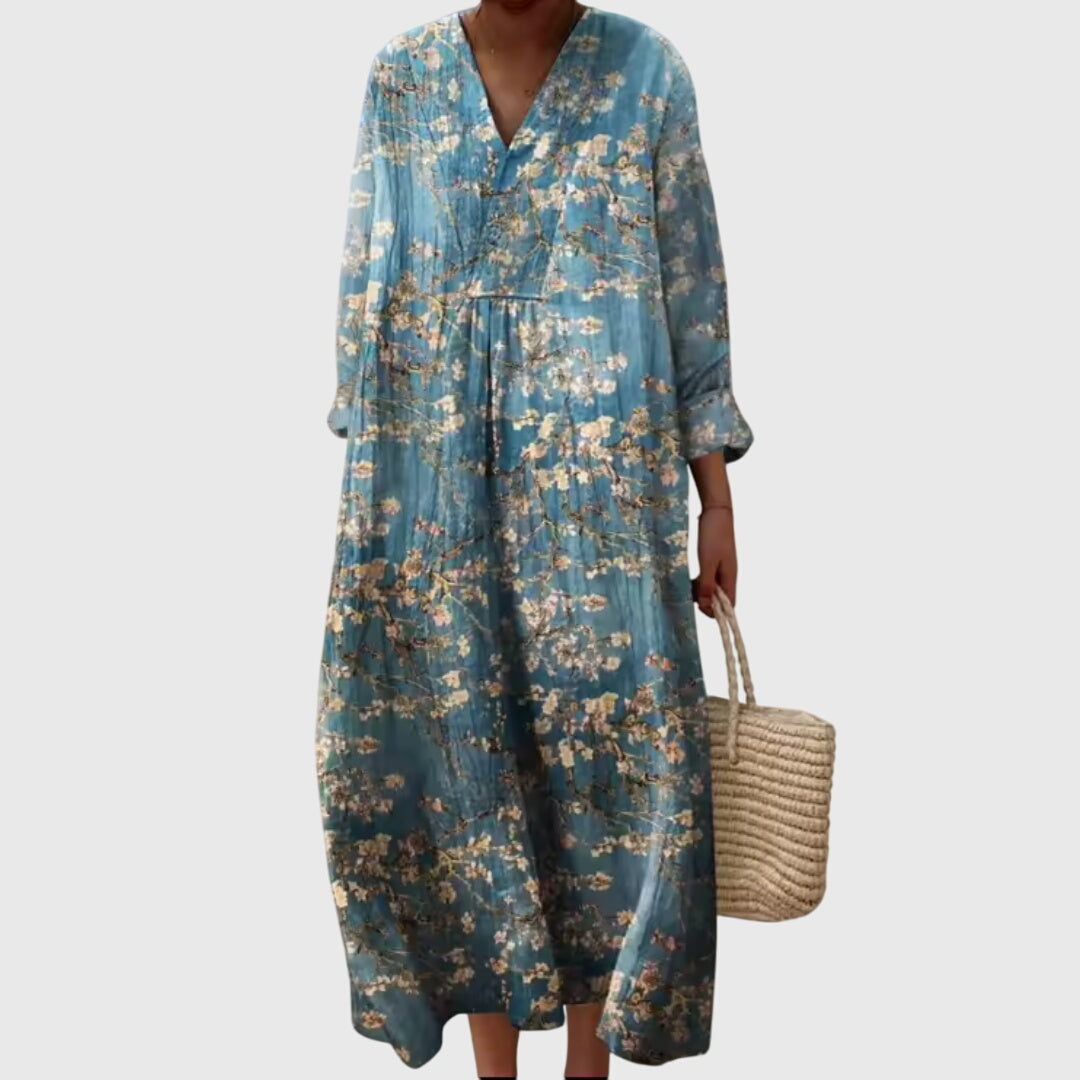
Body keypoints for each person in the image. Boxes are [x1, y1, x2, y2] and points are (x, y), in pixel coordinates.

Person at [314, 2, 754, 1076]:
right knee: (455, 755)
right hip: (432, 489)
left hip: (603, 505)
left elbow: (691, 291)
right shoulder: (404, 79)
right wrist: (376, 481)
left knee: (610, 772)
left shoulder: (647, 74)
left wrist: (717, 500)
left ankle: (590, 1067)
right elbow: (368, 290)